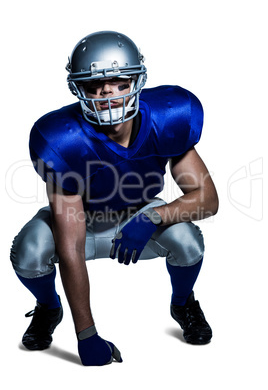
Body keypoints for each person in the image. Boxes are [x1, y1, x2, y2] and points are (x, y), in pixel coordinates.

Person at [10, 30, 219, 366]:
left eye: (118, 81)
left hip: (141, 213)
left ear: (137, 81)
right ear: (78, 88)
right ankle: (49, 307)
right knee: (29, 252)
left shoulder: (168, 118)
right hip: (85, 223)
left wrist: (154, 216)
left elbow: (207, 199)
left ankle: (183, 302)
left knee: (188, 242)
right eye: (94, 84)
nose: (106, 91)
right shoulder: (63, 140)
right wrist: (86, 335)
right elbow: (72, 246)